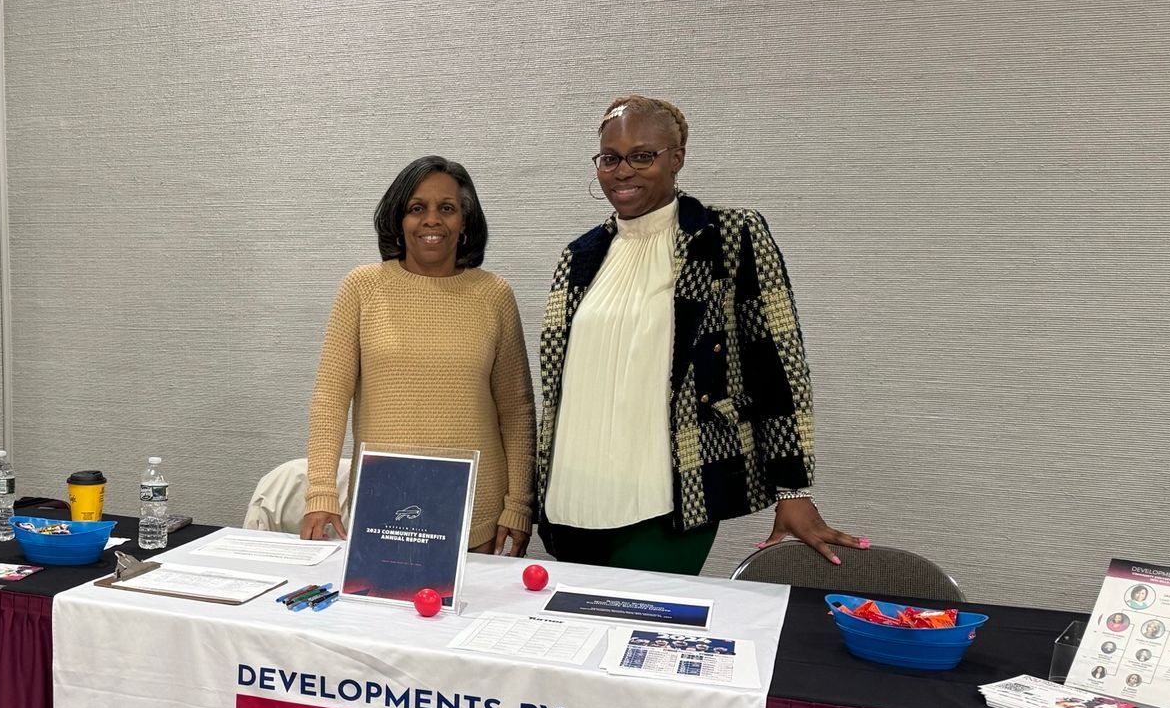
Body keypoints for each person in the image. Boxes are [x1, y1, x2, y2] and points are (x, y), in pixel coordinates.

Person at [533, 95, 860, 575]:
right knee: (583, 638)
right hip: (572, 495)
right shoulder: (579, 256)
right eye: (610, 158)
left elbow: (778, 361)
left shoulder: (731, 236)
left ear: (676, 158)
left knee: (637, 627)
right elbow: (561, 387)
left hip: (672, 493)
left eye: (642, 155)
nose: (623, 171)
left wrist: (793, 488)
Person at [301, 156, 535, 553]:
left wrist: (518, 506)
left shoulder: (495, 295)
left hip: (476, 513)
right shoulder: (362, 288)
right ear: (399, 219)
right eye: (416, 208)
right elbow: (330, 399)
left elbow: (516, 410)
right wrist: (321, 491)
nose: (432, 220)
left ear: (465, 221)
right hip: (384, 508)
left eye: (447, 208)